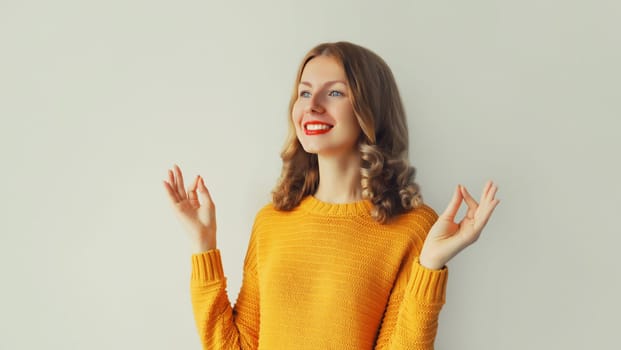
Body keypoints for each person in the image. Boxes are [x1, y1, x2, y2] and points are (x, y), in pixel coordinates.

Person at [162, 41, 500, 350]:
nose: (313, 106)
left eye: (335, 93)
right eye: (305, 93)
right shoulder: (272, 222)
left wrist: (429, 266)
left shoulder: (413, 227)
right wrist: (203, 244)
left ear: (370, 109)